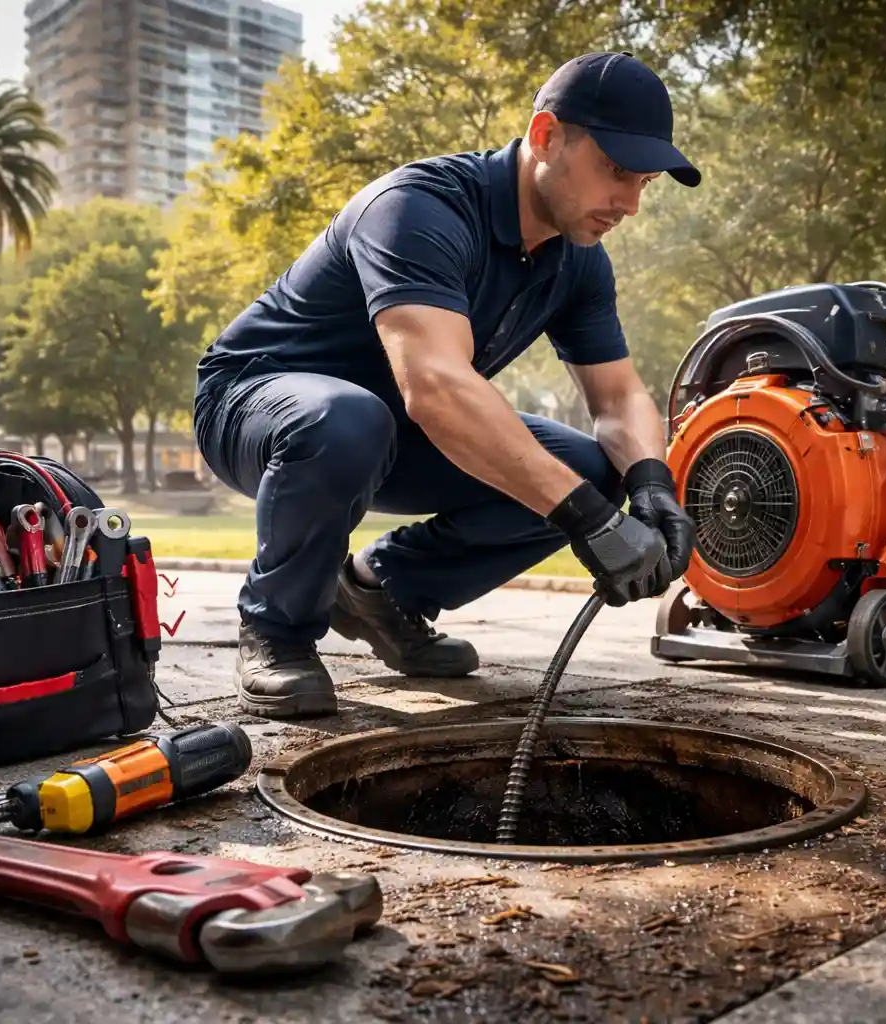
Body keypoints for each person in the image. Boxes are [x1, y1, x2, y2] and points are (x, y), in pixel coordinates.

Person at [192, 52, 701, 719]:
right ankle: (276, 632)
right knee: (352, 419)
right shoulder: (417, 209)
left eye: (645, 183)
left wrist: (650, 486)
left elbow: (618, 397)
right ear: (546, 136)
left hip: (393, 428)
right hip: (256, 403)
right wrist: (586, 520)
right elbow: (435, 387)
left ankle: (384, 590)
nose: (631, 205)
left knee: (593, 467)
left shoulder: (578, 261)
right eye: (616, 172)